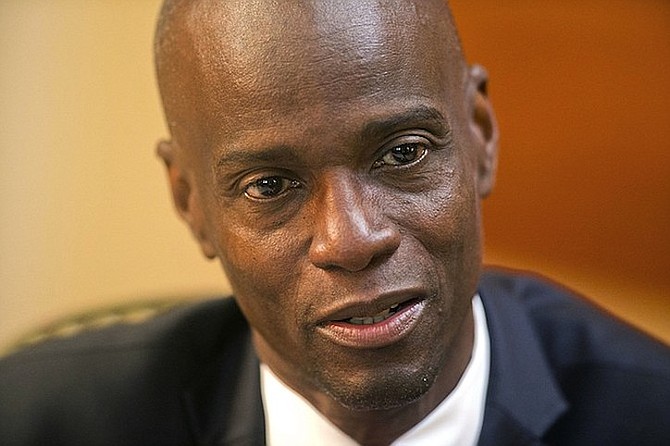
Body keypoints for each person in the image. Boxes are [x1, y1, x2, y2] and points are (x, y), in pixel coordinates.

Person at [1, 0, 669, 444]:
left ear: (481, 137)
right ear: (190, 203)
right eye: (269, 185)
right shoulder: (38, 419)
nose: (350, 239)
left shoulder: (648, 415)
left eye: (403, 154)